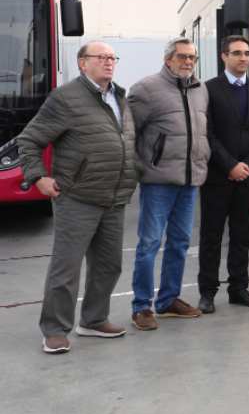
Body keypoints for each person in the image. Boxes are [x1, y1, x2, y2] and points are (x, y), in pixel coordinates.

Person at [17, 42, 139, 354]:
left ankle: (94, 320)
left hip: (114, 196)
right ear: (83, 63)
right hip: (77, 197)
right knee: (66, 267)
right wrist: (38, 177)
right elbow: (29, 140)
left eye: (113, 58)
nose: (109, 62)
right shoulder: (65, 98)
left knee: (109, 265)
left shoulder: (119, 96)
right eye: (102, 57)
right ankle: (55, 329)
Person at [127, 37, 211, 329]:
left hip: (189, 182)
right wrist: (141, 168)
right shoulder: (146, 90)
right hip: (158, 182)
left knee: (180, 243)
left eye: (192, 58)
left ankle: (168, 300)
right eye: (182, 57)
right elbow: (127, 134)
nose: (188, 62)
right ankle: (141, 307)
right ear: (168, 59)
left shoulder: (201, 90)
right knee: (149, 243)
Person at [197, 35, 249, 313]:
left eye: (247, 53)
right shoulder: (209, 90)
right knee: (212, 236)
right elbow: (208, 132)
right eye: (237, 53)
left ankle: (239, 288)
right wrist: (230, 164)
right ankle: (207, 292)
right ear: (224, 57)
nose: (243, 58)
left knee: (242, 236)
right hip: (218, 176)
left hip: (248, 176)